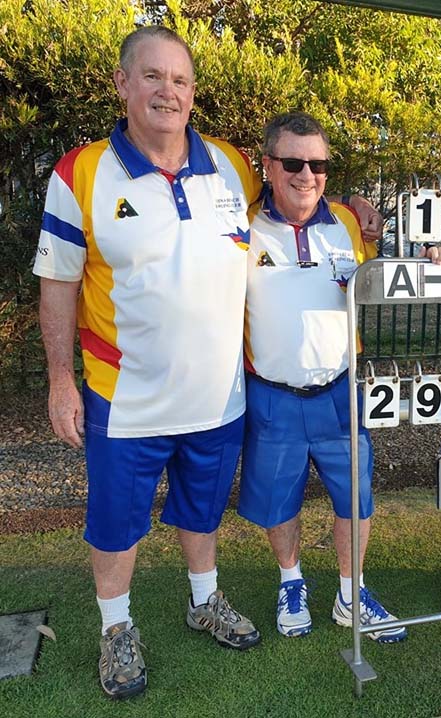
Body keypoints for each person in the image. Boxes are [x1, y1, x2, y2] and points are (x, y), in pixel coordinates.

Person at [33, 28, 381, 699]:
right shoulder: (80, 173)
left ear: (194, 93)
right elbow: (57, 281)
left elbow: (297, 192)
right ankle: (115, 629)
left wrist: (356, 209)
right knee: (116, 522)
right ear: (123, 84)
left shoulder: (229, 166)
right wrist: (56, 379)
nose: (169, 91)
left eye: (182, 80)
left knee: (201, 512)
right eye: (154, 77)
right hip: (124, 394)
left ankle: (205, 599)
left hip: (220, 396)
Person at [239, 112, 418, 643]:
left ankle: (350, 593)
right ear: (268, 165)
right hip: (273, 395)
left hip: (341, 393)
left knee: (355, 500)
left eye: (317, 164)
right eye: (292, 162)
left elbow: (388, 271)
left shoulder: (347, 221)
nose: (306, 175)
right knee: (279, 502)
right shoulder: (241, 224)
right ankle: (290, 581)